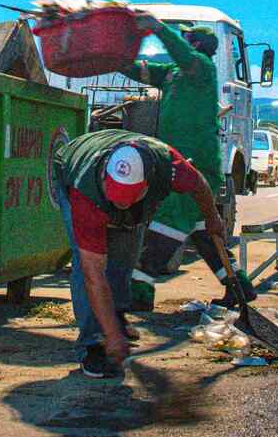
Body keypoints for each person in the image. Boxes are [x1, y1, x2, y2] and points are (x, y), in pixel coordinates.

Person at [51, 128, 225, 378]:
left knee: (125, 257)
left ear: (147, 184)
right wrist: (110, 337)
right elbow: (93, 276)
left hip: (132, 185)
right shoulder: (84, 192)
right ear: (104, 179)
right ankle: (93, 345)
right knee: (85, 267)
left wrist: (213, 218)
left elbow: (199, 185)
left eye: (127, 200)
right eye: (116, 200)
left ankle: (117, 316)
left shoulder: (170, 167)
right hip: (74, 167)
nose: (119, 206)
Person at [123, 14, 255, 313]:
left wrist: (158, 28)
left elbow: (183, 55)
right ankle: (240, 287)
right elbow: (139, 72)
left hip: (195, 165)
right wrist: (113, 58)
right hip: (181, 160)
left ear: (195, 44)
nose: (181, 40)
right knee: (206, 236)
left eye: (186, 38)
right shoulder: (171, 72)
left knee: (166, 225)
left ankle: (140, 291)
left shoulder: (203, 68)